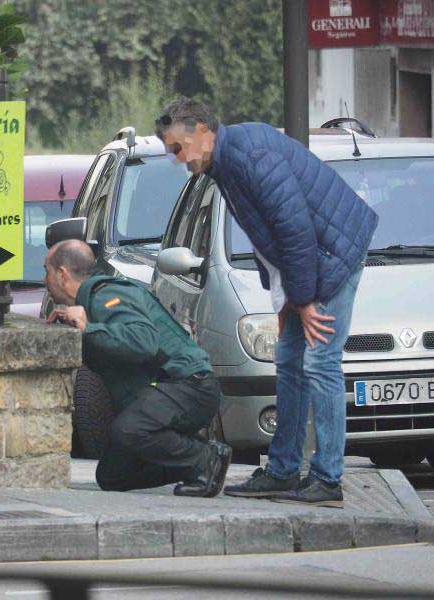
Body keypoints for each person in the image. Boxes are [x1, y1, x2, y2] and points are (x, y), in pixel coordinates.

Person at [155, 97, 377, 508]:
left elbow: (295, 230)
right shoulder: (225, 161)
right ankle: (283, 470)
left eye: (178, 148)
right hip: (313, 260)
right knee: (290, 361)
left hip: (333, 252)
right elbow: (266, 235)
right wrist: (284, 296)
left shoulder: (248, 156)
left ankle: (328, 478)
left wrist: (305, 300)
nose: (178, 159)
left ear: (202, 132)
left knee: (320, 362)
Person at [44, 239, 231, 497]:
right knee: (112, 476)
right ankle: (194, 462)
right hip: (166, 392)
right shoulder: (89, 304)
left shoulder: (107, 294)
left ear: (62, 274)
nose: (45, 280)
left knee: (129, 430)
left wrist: (89, 328)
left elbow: (144, 342)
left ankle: (203, 458)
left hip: (188, 384)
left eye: (47, 271)